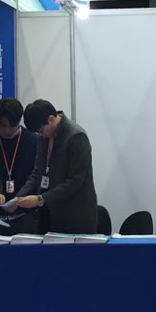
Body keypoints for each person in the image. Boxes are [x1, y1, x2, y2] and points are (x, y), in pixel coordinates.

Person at [16, 99, 100, 234]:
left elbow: (75, 181)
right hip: (49, 212)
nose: (40, 135)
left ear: (50, 119)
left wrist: (40, 199)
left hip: (75, 215)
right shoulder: (43, 137)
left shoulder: (76, 136)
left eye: (41, 130)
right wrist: (18, 198)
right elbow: (37, 171)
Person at [0, 98, 40, 234]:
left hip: (25, 213)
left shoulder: (33, 140)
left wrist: (20, 198)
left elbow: (35, 174)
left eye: (12, 126)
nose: (7, 130)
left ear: (19, 121)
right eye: (2, 125)